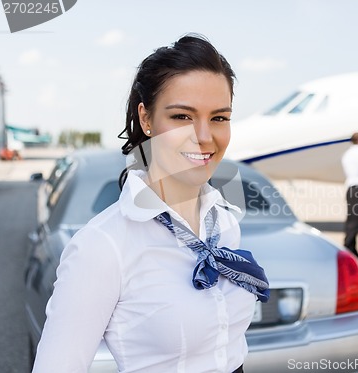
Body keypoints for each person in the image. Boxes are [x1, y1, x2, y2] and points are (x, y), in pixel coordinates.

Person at [33, 34, 269, 373]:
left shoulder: (223, 221)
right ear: (146, 120)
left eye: (219, 117)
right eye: (182, 117)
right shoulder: (103, 246)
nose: (204, 136)